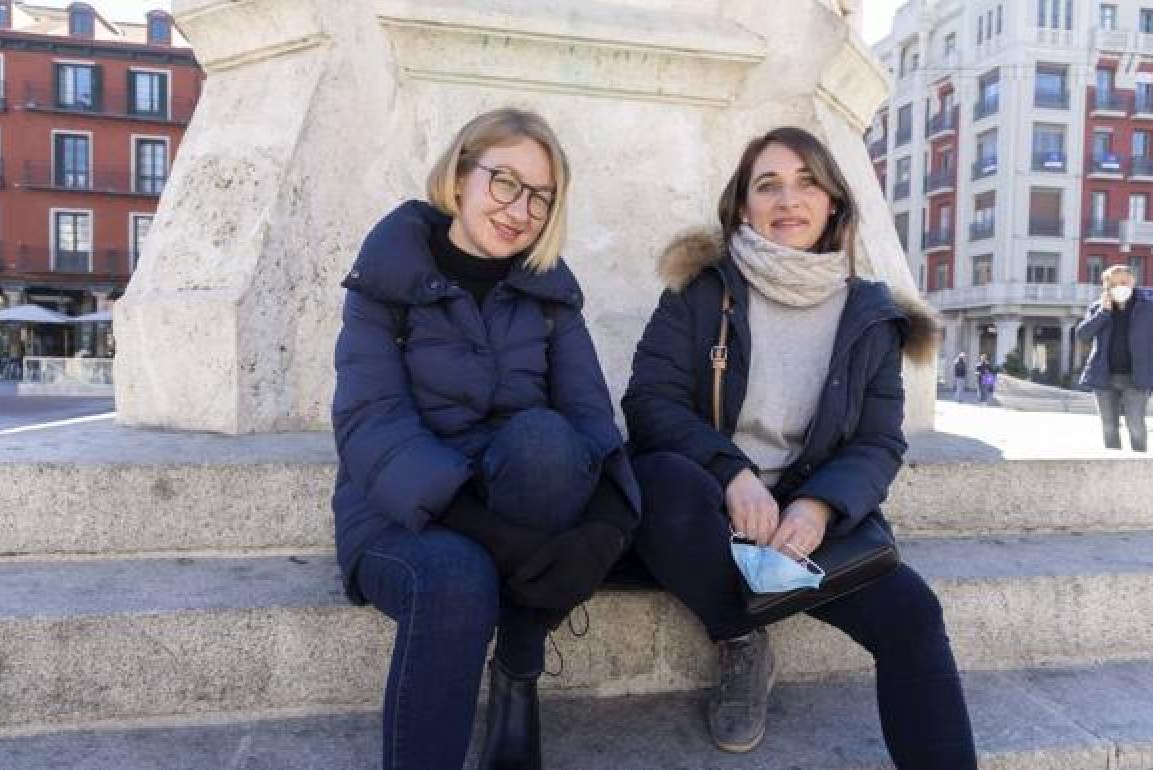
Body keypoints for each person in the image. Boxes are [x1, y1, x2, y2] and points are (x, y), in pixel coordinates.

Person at [622, 126, 977, 769]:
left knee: (914, 614)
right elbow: (650, 402)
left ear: (835, 202)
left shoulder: (871, 315)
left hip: (805, 520)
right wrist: (731, 472)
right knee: (664, 486)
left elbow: (877, 440)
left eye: (807, 182)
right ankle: (740, 636)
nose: (790, 199)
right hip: (709, 508)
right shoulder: (703, 291)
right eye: (769, 185)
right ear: (744, 207)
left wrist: (819, 506)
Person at [331, 108, 640, 770]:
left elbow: (593, 424)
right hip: (398, 512)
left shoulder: (552, 297)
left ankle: (518, 667)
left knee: (546, 440)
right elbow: (370, 423)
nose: (520, 208)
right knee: (457, 576)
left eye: (540, 196)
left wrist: (610, 528)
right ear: (461, 173)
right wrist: (492, 536)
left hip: (519, 491)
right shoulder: (388, 278)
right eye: (505, 181)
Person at [1075, 265, 1153, 452]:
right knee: (1108, 427)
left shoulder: (1151, 309)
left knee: (1136, 425)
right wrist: (1103, 313)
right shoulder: (1097, 308)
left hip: (1138, 378)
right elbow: (1082, 335)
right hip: (1104, 377)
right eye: (1114, 283)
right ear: (1107, 286)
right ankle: (1114, 467)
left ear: (1132, 282)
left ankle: (1140, 465)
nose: (1120, 286)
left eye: (1123, 282)